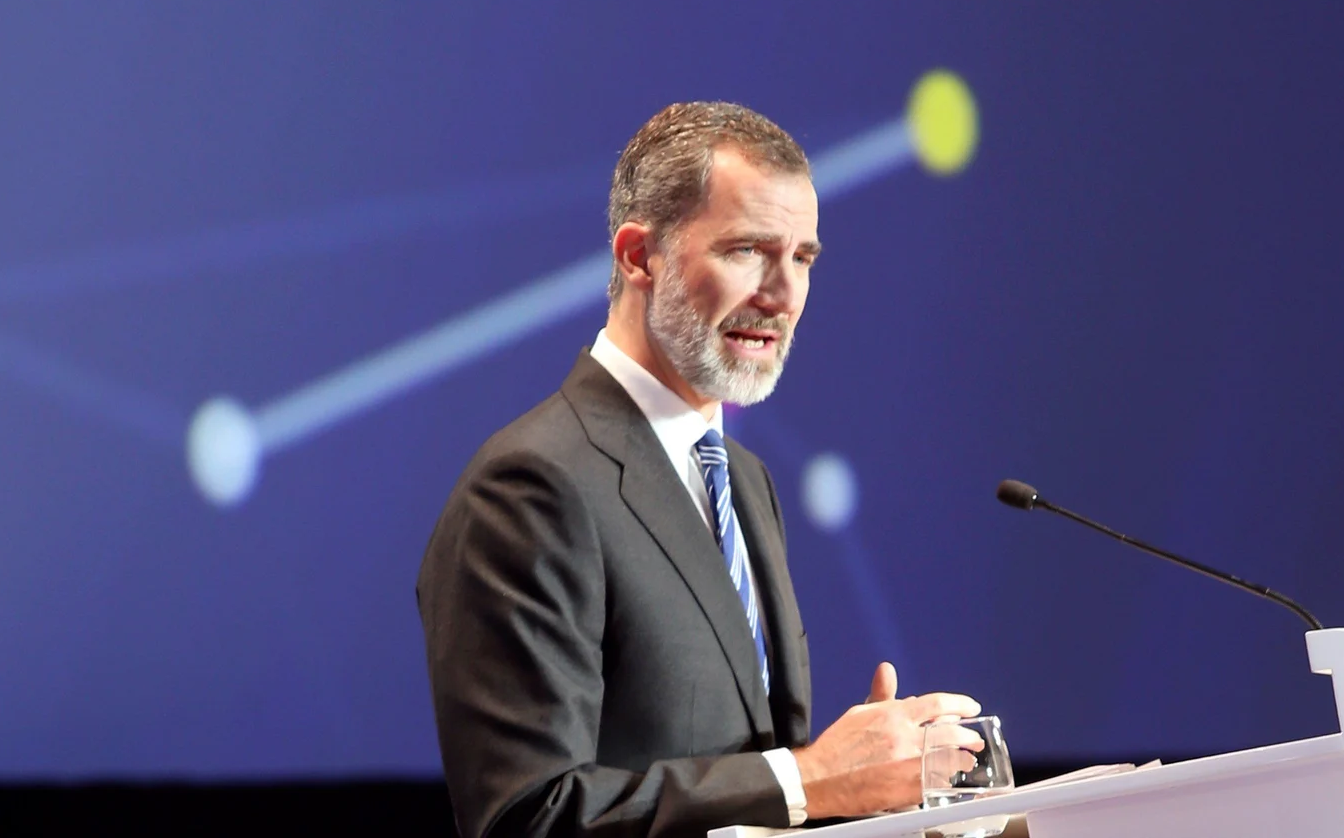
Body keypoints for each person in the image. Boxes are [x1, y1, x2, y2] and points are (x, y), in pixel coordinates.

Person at [418, 102, 980, 838]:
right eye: (747, 250)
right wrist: (813, 778)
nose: (782, 295)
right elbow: (528, 817)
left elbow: (751, 784)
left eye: (802, 259)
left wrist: (858, 793)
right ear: (637, 257)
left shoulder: (744, 480)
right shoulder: (530, 486)